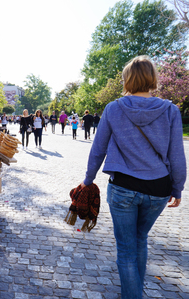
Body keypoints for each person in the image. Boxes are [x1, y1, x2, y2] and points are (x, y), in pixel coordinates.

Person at [81, 56, 186, 299]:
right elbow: (177, 155)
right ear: (152, 79)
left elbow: (98, 148)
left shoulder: (114, 108)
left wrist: (88, 179)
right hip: (158, 189)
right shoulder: (170, 110)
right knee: (140, 238)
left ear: (128, 79)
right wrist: (178, 188)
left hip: (123, 188)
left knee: (127, 250)